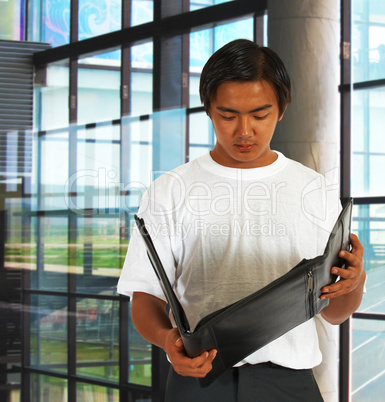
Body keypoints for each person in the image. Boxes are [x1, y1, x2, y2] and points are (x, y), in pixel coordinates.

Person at [117, 39, 365, 401]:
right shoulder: (170, 189)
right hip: (199, 383)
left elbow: (335, 313)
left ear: (282, 109)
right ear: (209, 110)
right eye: (228, 116)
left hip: (289, 384)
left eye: (259, 115)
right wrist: (167, 340)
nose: (244, 130)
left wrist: (354, 281)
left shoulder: (314, 189)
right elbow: (145, 296)